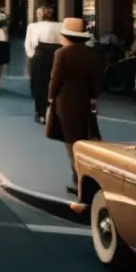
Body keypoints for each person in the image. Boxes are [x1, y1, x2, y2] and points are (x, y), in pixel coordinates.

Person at [46, 18, 104, 194]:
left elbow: (55, 80)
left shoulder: (61, 54)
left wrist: (50, 97)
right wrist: (94, 96)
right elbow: (97, 80)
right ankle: (83, 178)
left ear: (67, 37)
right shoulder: (93, 55)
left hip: (65, 102)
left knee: (71, 143)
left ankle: (79, 180)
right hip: (84, 101)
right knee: (84, 138)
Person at [24, 4, 63, 124]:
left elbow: (28, 44)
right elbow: (28, 43)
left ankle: (51, 111)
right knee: (41, 83)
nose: (40, 15)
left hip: (53, 53)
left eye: (41, 13)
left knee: (54, 83)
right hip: (41, 53)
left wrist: (32, 55)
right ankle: (41, 111)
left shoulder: (60, 25)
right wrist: (32, 55)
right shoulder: (33, 26)